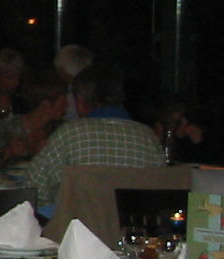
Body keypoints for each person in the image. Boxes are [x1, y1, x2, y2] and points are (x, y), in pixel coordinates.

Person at [24, 64, 165, 209]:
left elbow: (34, 185)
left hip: (77, 221)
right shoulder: (149, 138)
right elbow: (160, 190)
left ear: (80, 101)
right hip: (130, 221)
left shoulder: (69, 135)